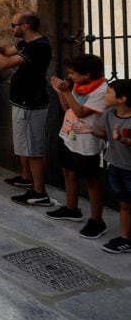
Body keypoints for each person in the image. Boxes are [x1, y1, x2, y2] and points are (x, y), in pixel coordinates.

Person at [0, 11, 52, 206]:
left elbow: (4, 63)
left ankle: (40, 193)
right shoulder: (27, 44)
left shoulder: (39, 46)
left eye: (14, 25)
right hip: (22, 101)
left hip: (31, 103)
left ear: (25, 26)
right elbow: (4, 52)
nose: (11, 28)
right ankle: (26, 178)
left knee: (33, 148)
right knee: (24, 145)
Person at [45, 54, 108, 238]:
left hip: (87, 141)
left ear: (87, 74)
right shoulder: (80, 85)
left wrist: (65, 91)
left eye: (73, 73)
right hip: (69, 135)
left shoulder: (101, 90)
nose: (70, 76)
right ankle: (72, 208)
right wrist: (60, 92)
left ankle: (97, 221)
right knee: (68, 171)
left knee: (91, 180)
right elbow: (68, 108)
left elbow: (80, 112)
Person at [75, 79, 131, 253]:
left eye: (109, 92)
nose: (105, 94)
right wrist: (91, 130)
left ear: (122, 99)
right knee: (124, 204)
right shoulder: (108, 114)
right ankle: (125, 238)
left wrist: (123, 139)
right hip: (116, 165)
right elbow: (104, 134)